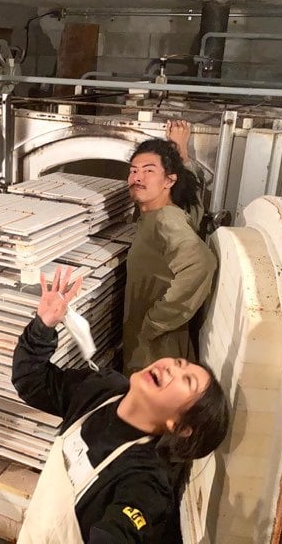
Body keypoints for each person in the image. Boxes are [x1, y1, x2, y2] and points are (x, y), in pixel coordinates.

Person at [12, 266, 230, 543]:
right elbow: (31, 381)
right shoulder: (102, 389)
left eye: (186, 380)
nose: (170, 368)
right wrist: (43, 326)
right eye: (178, 362)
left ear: (179, 426)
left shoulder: (145, 481)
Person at [122, 122, 218, 375]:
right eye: (133, 171)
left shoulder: (165, 219)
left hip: (154, 352)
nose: (137, 177)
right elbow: (194, 206)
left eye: (148, 171)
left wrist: (155, 321)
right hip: (162, 345)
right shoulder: (172, 212)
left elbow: (201, 264)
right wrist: (181, 152)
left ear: (169, 180)